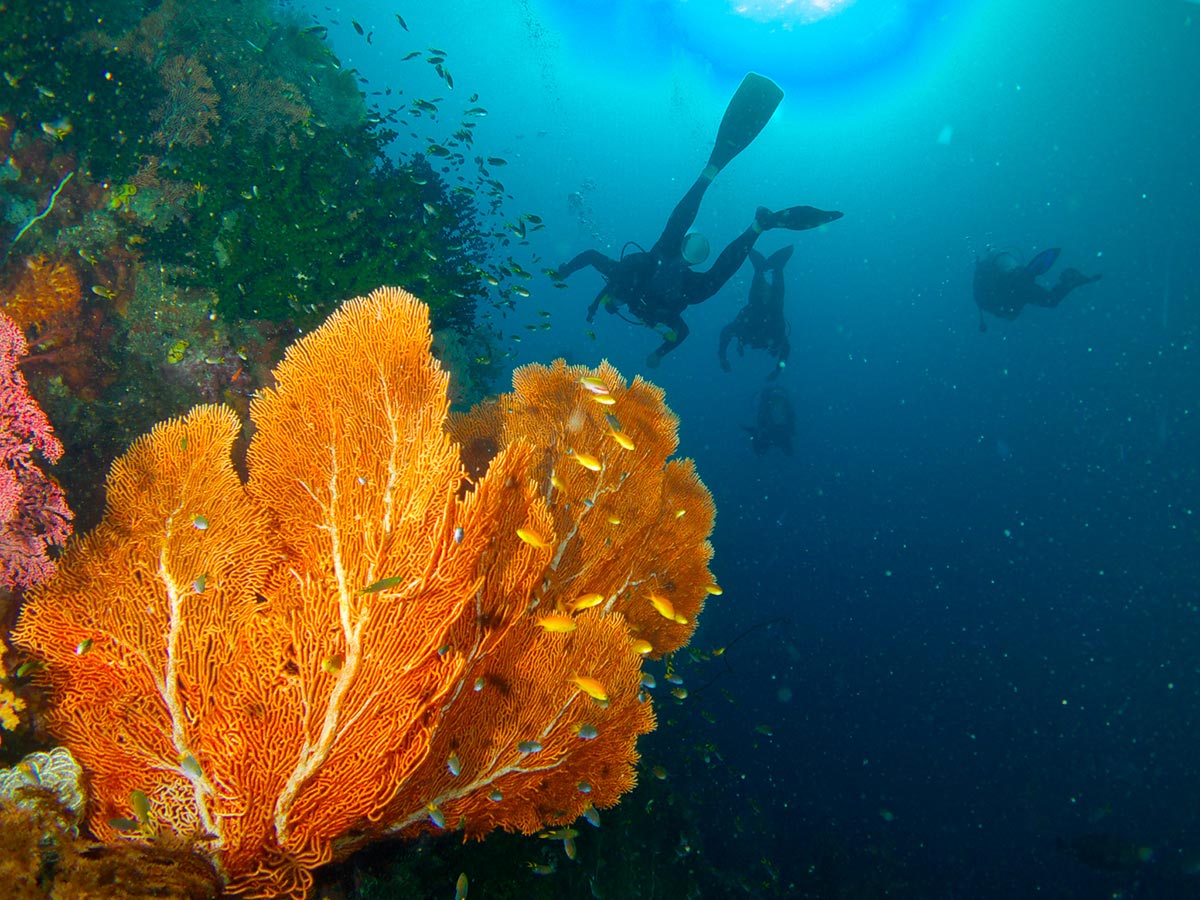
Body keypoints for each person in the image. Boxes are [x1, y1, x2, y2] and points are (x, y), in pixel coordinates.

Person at [556, 73, 842, 368]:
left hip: (666, 261)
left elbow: (678, 332)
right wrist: (658, 353)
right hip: (676, 271)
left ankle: (744, 212)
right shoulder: (634, 292)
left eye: (612, 303)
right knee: (699, 271)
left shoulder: (626, 281)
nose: (616, 303)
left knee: (701, 269)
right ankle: (743, 208)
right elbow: (680, 333)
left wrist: (566, 271)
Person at [974, 247, 1102, 332]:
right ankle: (1071, 279)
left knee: (1051, 300)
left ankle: (1071, 279)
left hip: (1015, 290)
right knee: (1051, 300)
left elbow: (993, 305)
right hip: (1017, 287)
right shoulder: (986, 277)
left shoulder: (981, 283)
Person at [719, 245, 793, 379]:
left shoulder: (745, 332)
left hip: (760, 312)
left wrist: (722, 357)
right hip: (767, 313)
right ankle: (768, 268)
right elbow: (785, 349)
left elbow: (726, 332)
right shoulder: (771, 337)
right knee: (772, 299)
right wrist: (777, 371)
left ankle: (770, 268)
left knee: (771, 298)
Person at [744, 385, 795, 455]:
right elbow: (761, 421)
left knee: (789, 452)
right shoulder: (766, 408)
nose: (777, 401)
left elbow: (791, 419)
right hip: (771, 432)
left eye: (779, 398)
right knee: (760, 452)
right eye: (775, 398)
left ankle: (754, 435)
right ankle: (754, 434)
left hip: (778, 432)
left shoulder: (785, 407)